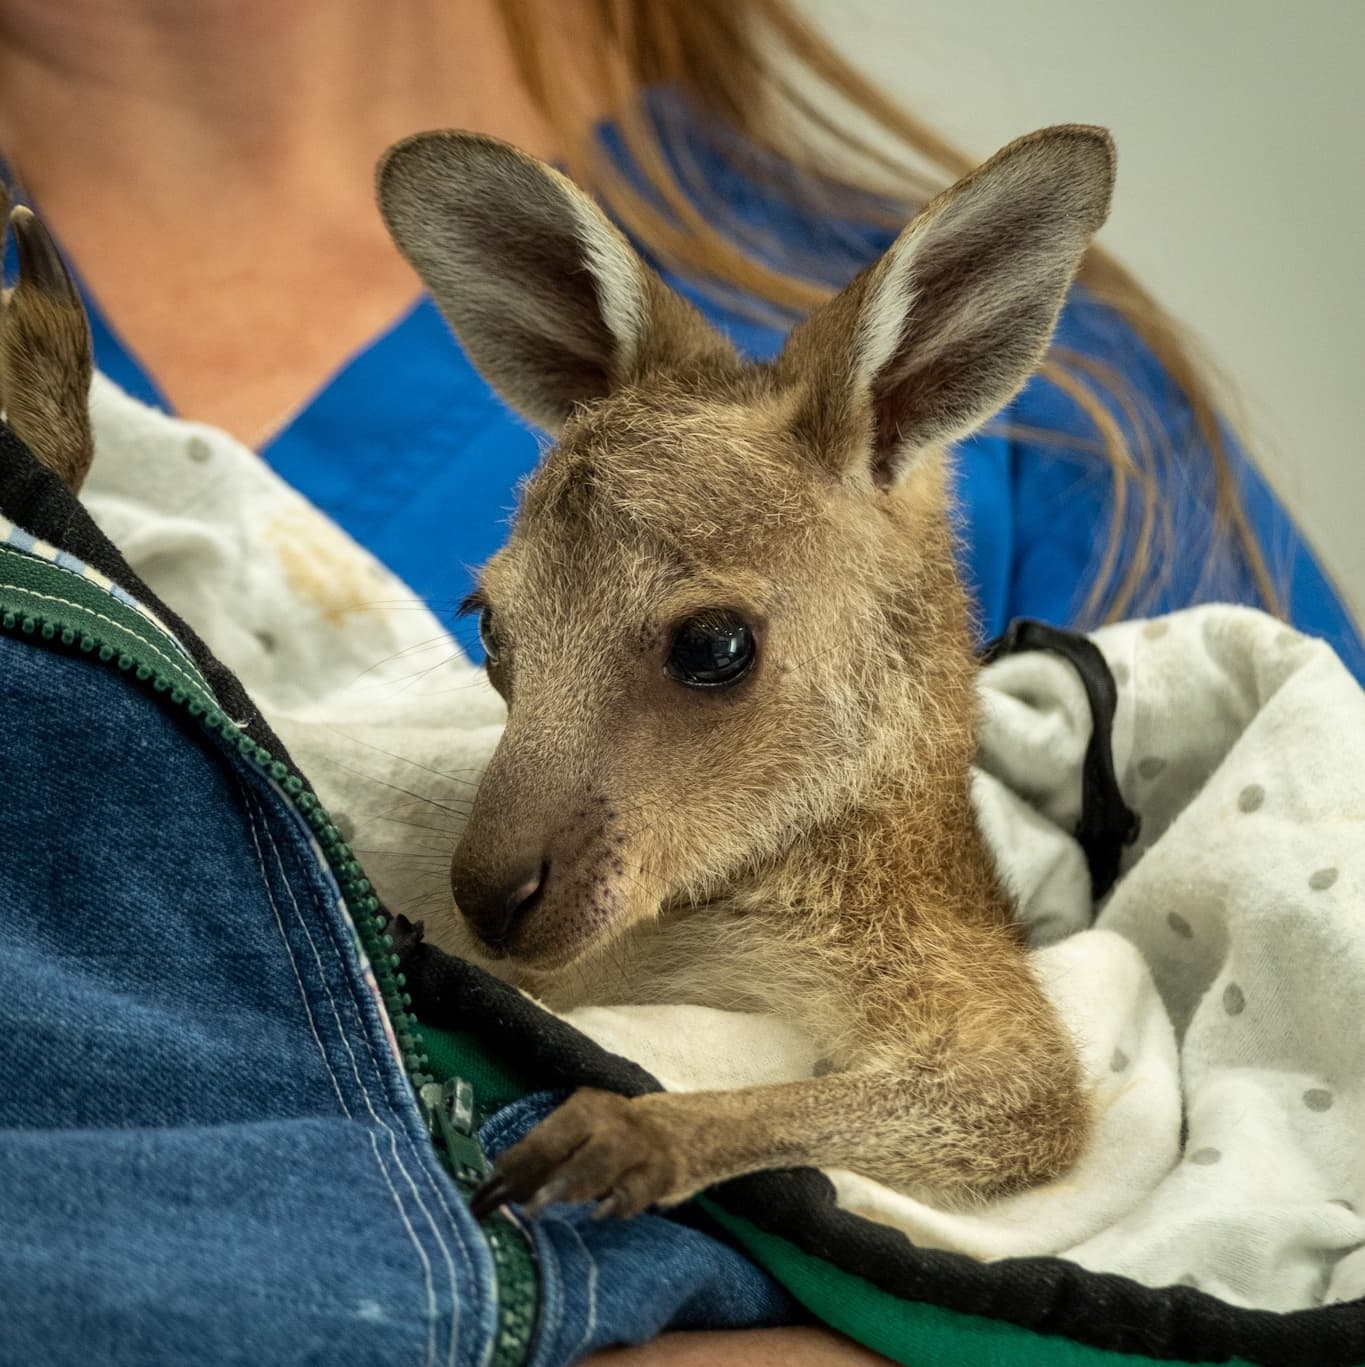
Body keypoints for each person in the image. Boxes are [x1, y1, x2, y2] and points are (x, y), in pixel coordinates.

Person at [0, 4, 1361, 1366]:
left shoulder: (1085, 447)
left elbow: (1092, 1120)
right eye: (504, 649)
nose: (501, 848)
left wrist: (701, 1182)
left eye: (708, 656)